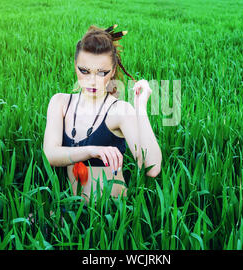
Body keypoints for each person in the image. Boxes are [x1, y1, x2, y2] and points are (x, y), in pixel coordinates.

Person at [43, 24, 162, 204]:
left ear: (113, 71)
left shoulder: (119, 111)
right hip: (73, 210)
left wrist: (140, 109)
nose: (92, 80)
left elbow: (151, 168)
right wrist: (92, 151)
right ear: (75, 66)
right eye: (84, 71)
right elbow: (50, 155)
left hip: (111, 216)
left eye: (102, 73)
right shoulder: (60, 103)